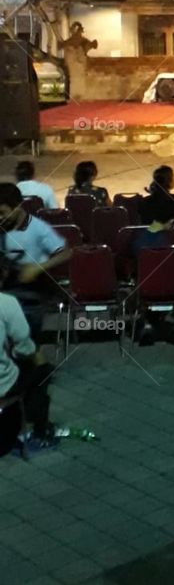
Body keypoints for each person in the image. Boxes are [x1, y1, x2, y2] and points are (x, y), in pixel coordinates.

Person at [0, 183, 72, 340]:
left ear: (17, 207)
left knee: (24, 335)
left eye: (2, 213)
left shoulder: (38, 228)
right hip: (6, 290)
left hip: (32, 294)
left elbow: (65, 253)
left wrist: (38, 268)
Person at [0, 290, 55, 451]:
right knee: (42, 370)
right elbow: (24, 348)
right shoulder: (6, 302)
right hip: (4, 385)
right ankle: (38, 434)